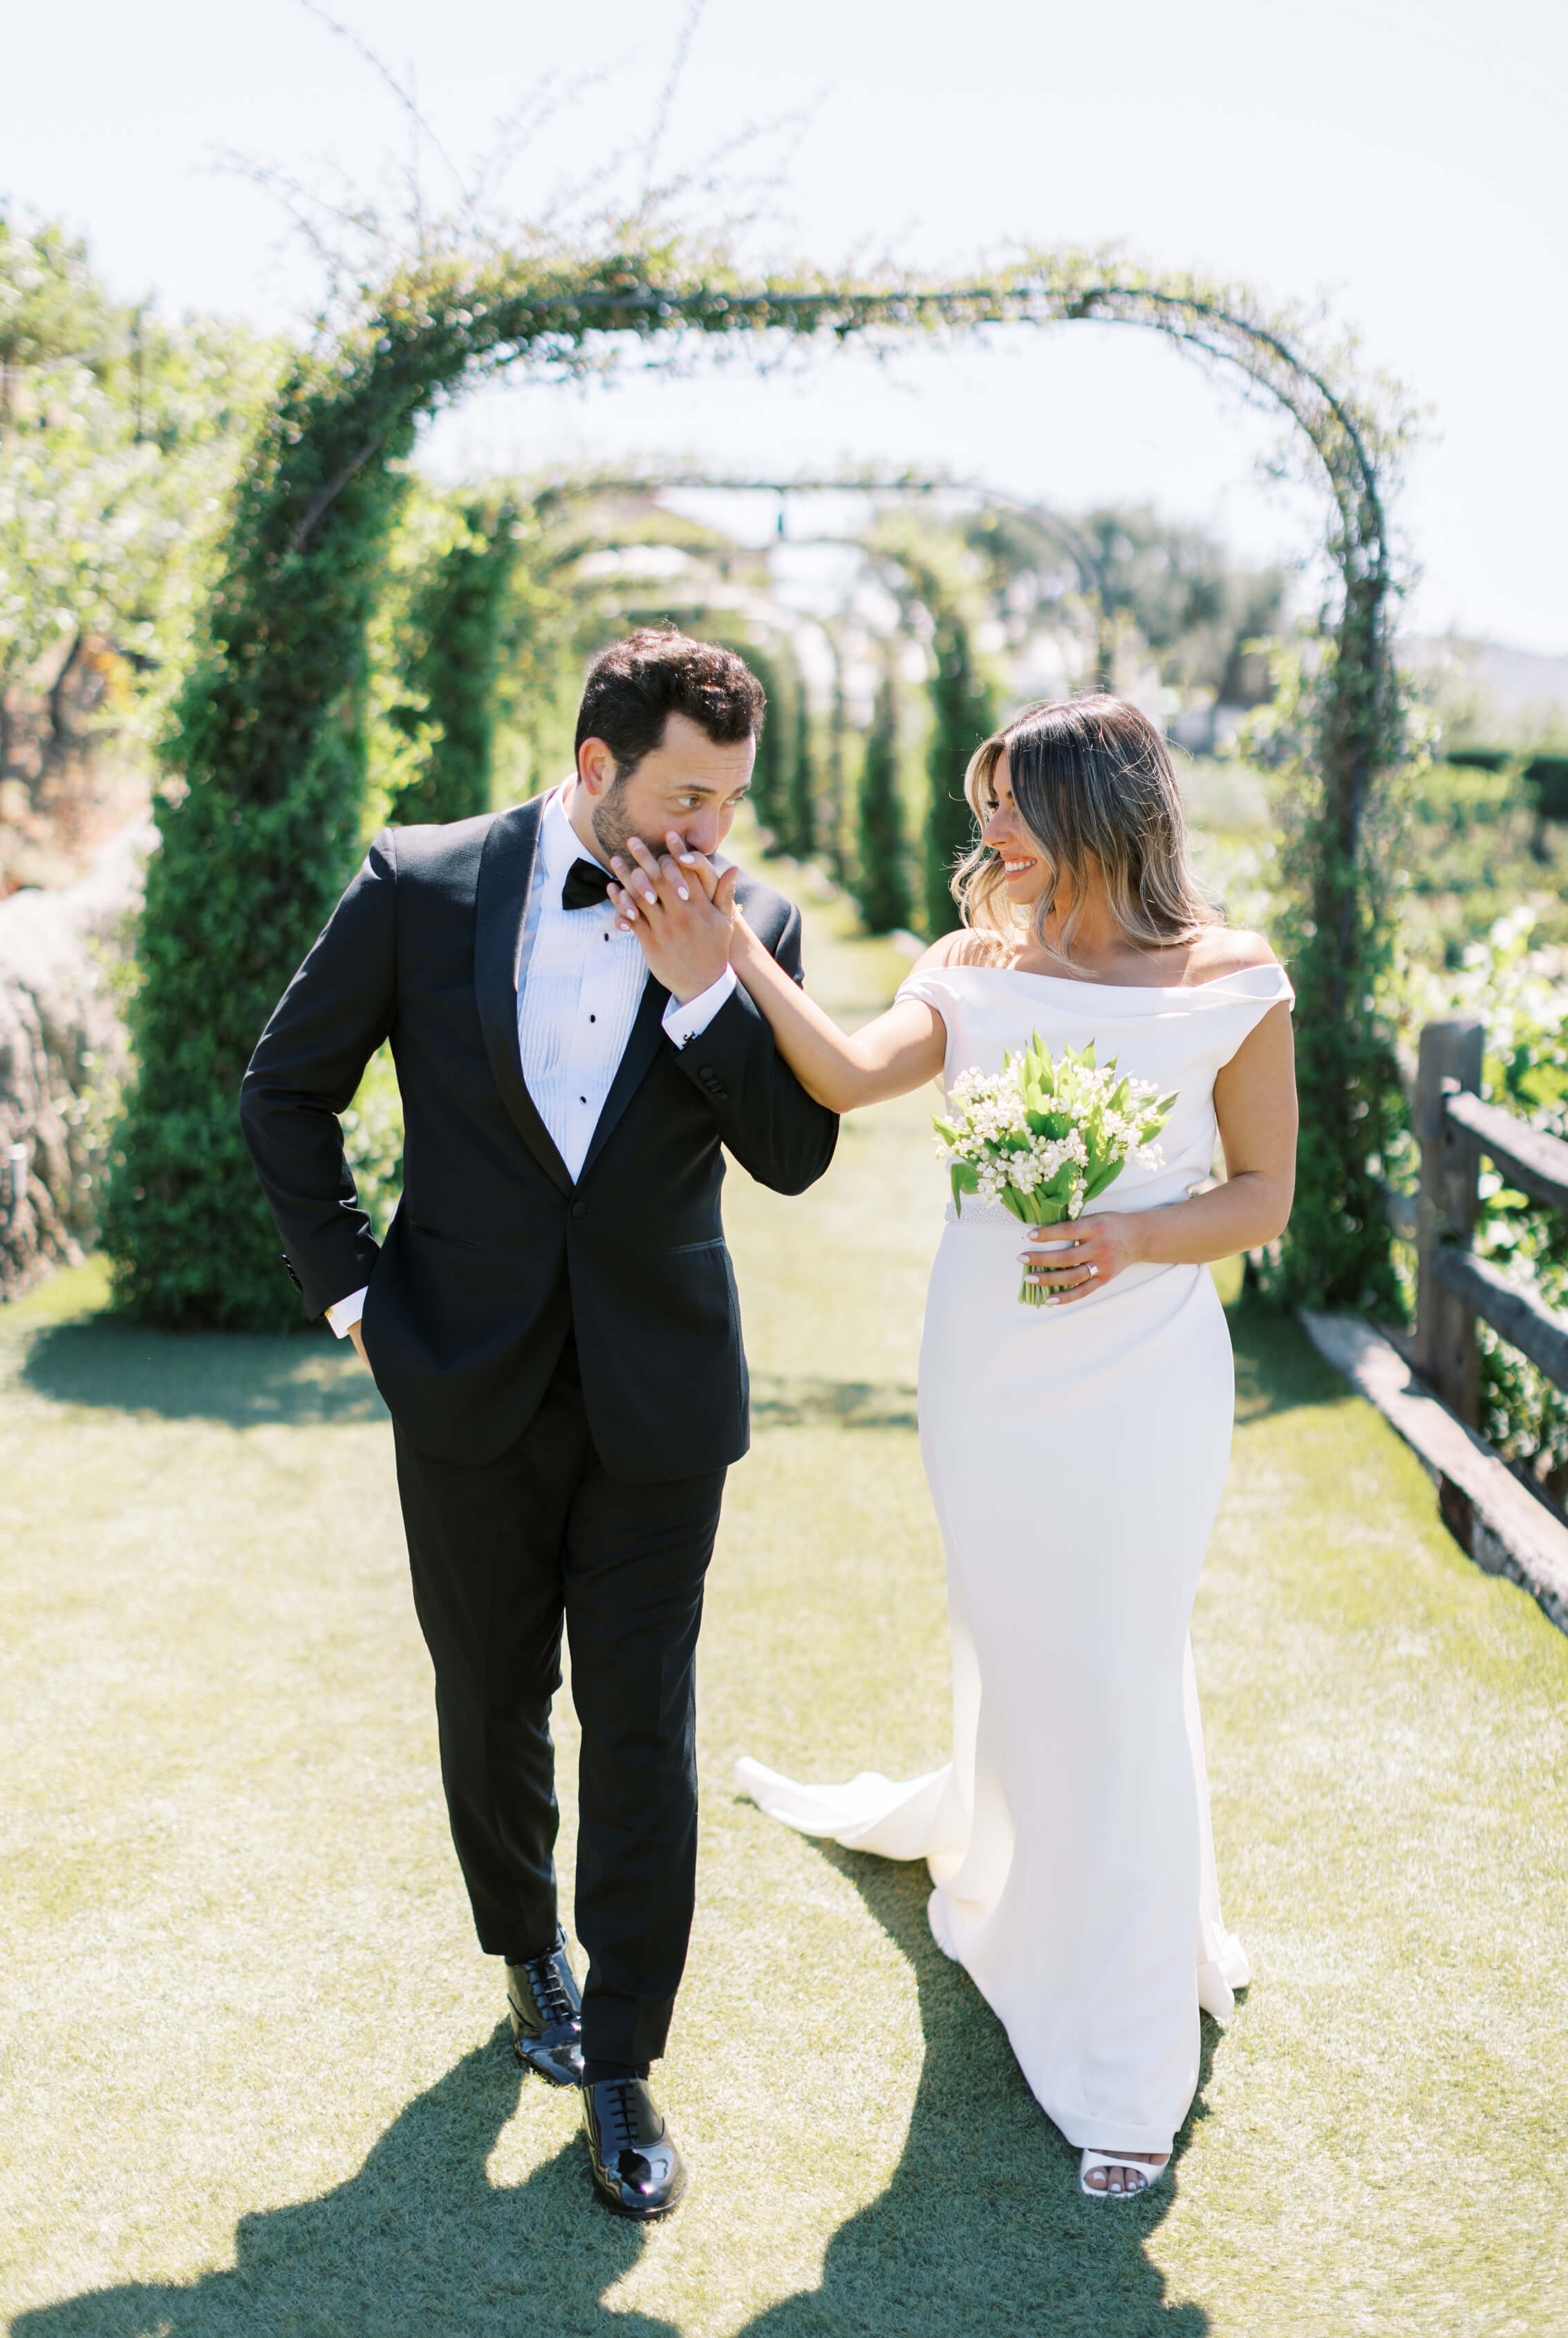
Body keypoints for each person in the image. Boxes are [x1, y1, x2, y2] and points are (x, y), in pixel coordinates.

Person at [607, 693, 1296, 2200]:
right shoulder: (972, 966)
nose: (988, 838)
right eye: (985, 808)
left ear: (1102, 811)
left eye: (1012, 809)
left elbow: (1260, 1198)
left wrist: (1129, 1235)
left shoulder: (1232, 977)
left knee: (1118, 1657)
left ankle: (1122, 2053)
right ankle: (1019, 1884)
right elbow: (850, 1074)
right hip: (988, 1361)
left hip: (1145, 1368)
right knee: (1021, 1641)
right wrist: (728, 961)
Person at [239, 628, 839, 2221]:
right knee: (490, 1693)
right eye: (689, 796)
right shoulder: (423, 881)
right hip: (459, 1380)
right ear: (596, 769)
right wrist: (358, 1300)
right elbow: (282, 1089)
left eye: (733, 800)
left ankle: (629, 2060)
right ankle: (530, 1956)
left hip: (660, 1396)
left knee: (644, 1723)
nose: (715, 833)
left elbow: (794, 1154)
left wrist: (707, 988)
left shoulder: (755, 920)